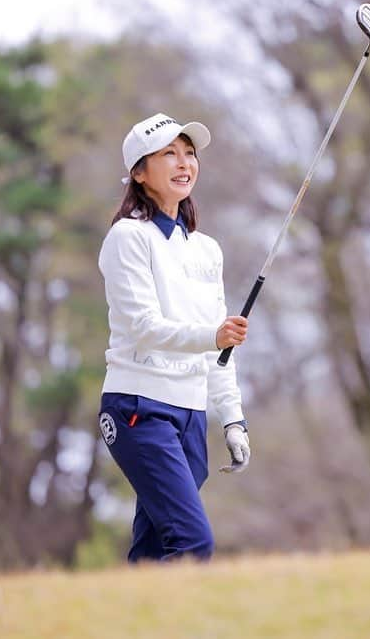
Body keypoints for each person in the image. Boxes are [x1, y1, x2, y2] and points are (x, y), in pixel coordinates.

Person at [97, 112, 251, 562]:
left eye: (189, 153)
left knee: (152, 552)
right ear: (140, 174)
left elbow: (218, 355)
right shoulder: (128, 238)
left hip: (190, 417)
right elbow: (144, 328)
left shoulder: (206, 249)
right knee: (192, 543)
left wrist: (233, 420)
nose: (184, 163)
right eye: (169, 154)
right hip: (138, 410)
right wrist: (213, 335)